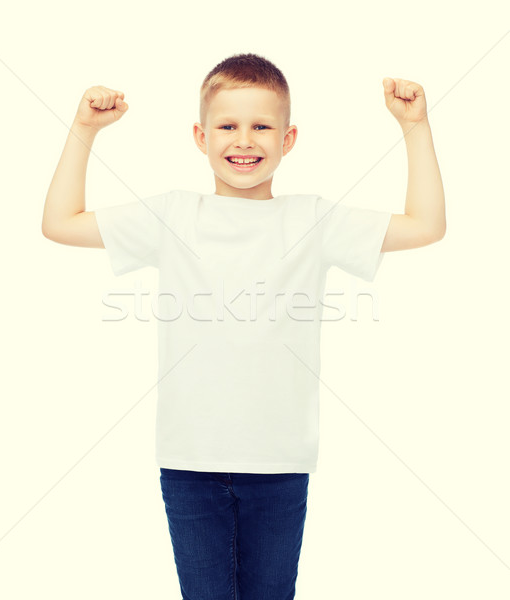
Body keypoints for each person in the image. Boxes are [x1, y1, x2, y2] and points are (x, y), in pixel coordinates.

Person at [42, 53, 446, 600]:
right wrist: (84, 129)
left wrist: (415, 127)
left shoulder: (312, 219)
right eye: (228, 126)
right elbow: (59, 224)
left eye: (262, 127)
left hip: (279, 463)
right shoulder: (173, 215)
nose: (245, 140)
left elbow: (426, 226)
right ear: (200, 135)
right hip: (190, 462)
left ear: (289, 138)